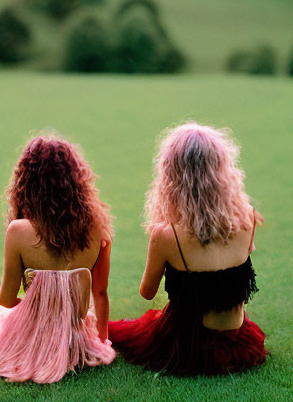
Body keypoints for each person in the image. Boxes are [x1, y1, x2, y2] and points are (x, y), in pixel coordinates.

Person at [109, 123, 267, 376]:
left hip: (189, 347)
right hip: (239, 340)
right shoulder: (247, 216)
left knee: (114, 330)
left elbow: (147, 292)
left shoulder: (166, 235)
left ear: (171, 175)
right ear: (222, 170)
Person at [0, 135, 115, 383]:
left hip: (32, 337)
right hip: (73, 340)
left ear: (26, 184)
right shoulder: (97, 229)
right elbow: (100, 292)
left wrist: (41, 305)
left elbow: (4, 299)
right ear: (76, 181)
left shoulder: (18, 231)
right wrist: (101, 341)